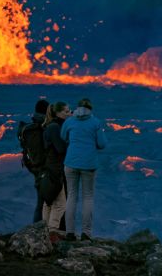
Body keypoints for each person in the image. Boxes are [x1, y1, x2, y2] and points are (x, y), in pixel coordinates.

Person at [60, 98, 107, 241]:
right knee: (88, 197)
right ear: (90, 109)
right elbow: (102, 144)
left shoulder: (69, 121)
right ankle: (86, 233)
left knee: (71, 196)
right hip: (89, 164)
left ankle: (69, 232)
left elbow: (63, 137)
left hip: (71, 163)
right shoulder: (95, 122)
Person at [41, 101, 71, 238]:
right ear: (58, 112)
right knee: (60, 204)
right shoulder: (55, 127)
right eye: (66, 111)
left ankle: (44, 230)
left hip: (51, 167)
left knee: (49, 201)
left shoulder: (52, 126)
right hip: (55, 168)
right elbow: (60, 148)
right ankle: (52, 231)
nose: (69, 113)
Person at [18, 99, 50, 223]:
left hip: (34, 167)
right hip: (46, 168)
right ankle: (40, 231)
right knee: (47, 202)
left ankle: (36, 229)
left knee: (40, 201)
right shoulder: (46, 126)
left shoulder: (28, 128)